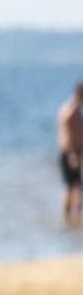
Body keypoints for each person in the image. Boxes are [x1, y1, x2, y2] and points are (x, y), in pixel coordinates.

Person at [59, 82, 83, 227]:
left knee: (73, 187)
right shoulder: (71, 111)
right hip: (71, 154)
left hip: (73, 153)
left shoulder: (69, 109)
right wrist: (72, 154)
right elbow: (67, 136)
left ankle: (70, 222)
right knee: (72, 188)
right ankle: (69, 221)